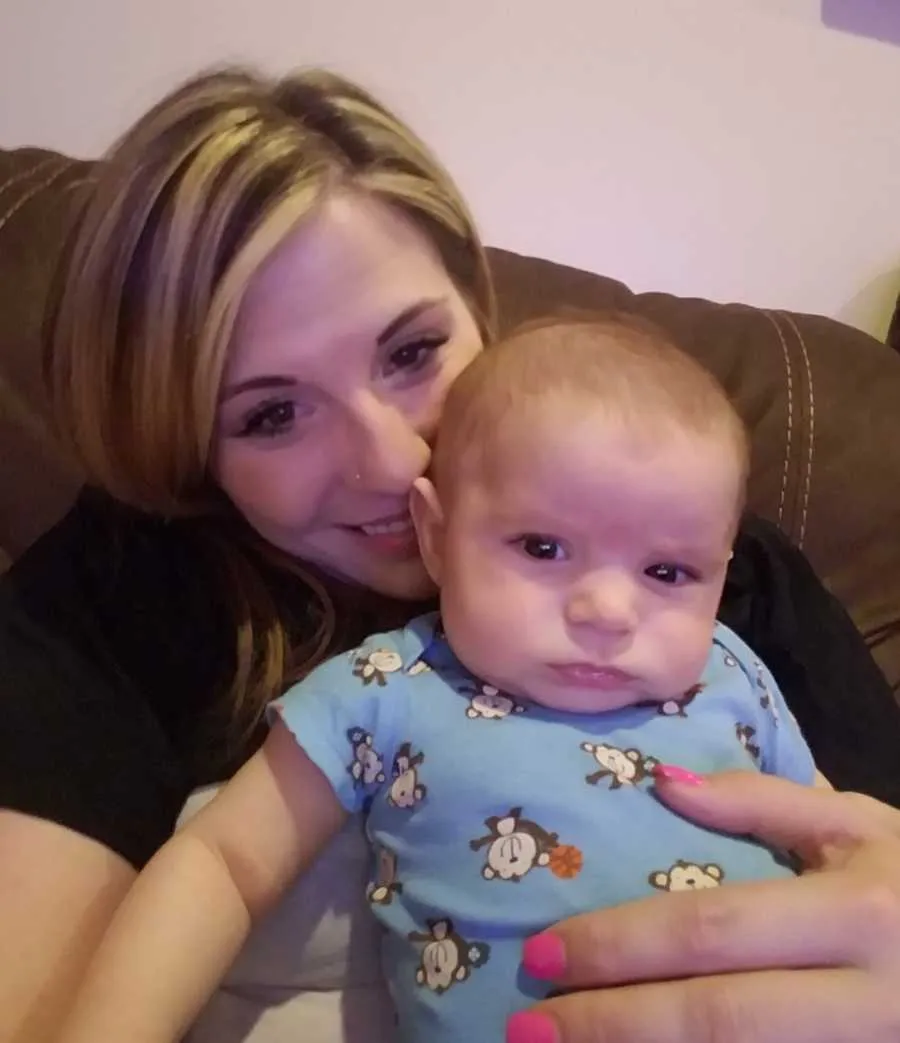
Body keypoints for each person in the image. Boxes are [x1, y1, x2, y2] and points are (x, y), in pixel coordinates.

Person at [2, 65, 900, 1043]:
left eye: (411, 351)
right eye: (271, 413)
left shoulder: (725, 578)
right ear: (187, 448)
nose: (394, 464)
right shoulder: (125, 588)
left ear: (477, 306)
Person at [57, 316, 831, 1043]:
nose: (607, 610)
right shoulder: (385, 686)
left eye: (668, 571)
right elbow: (223, 863)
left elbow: (841, 844)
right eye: (542, 546)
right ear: (435, 533)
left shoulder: (732, 672)